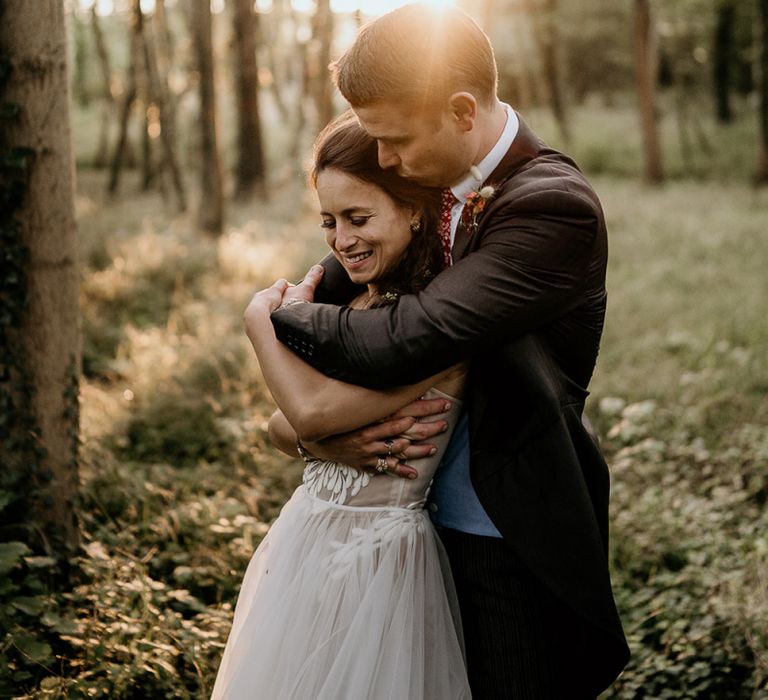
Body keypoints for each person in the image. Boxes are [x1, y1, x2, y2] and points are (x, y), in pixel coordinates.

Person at [268, 3, 630, 698]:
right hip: (397, 535)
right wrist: (321, 437)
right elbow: (337, 301)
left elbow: (406, 340)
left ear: (463, 111)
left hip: (496, 533)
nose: (383, 159)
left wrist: (270, 318)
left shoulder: (554, 207)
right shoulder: (421, 181)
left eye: (394, 138)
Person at [211, 115, 472, 699]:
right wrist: (323, 443)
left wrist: (263, 325)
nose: (341, 239)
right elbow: (283, 427)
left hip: (378, 560)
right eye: (329, 221)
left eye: (358, 218)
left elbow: (307, 412)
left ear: (413, 210)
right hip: (305, 537)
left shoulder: (433, 327)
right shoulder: (350, 303)